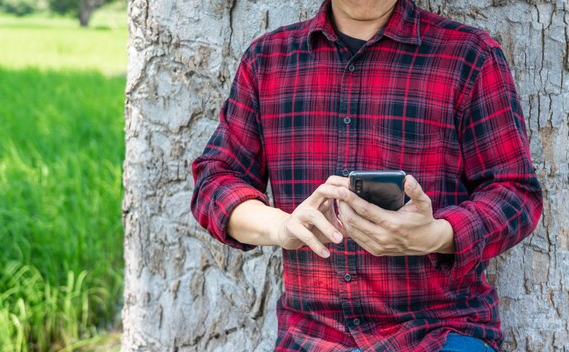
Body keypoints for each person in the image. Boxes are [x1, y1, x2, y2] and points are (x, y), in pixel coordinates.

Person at [190, 0, 543, 350]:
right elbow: (215, 181)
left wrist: (437, 235)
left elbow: (515, 192)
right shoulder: (267, 60)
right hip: (313, 338)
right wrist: (281, 227)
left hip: (437, 332)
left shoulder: (469, 56)